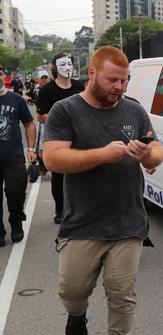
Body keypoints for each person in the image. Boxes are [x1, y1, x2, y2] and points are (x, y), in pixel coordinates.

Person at [42, 46, 163, 335]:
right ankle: (76, 314)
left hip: (128, 221)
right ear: (92, 74)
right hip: (82, 222)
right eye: (113, 80)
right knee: (72, 289)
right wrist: (102, 154)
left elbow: (157, 152)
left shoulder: (133, 110)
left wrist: (146, 155)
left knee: (122, 293)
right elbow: (53, 158)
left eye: (124, 81)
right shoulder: (64, 111)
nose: (119, 88)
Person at [37, 53, 85, 224]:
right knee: (59, 175)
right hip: (57, 138)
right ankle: (61, 210)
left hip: (79, 136)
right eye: (63, 64)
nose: (67, 67)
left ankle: (79, 208)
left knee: (80, 172)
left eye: (70, 63)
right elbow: (40, 116)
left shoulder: (79, 86)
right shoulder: (46, 90)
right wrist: (60, 117)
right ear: (55, 68)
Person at [0, 66, 37, 247]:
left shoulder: (15, 99)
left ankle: (16, 220)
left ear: (3, 77)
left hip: (13, 155)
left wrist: (30, 148)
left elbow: (29, 124)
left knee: (15, 191)